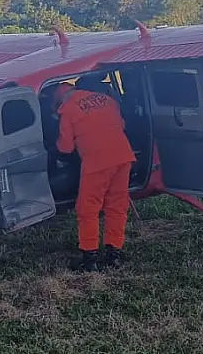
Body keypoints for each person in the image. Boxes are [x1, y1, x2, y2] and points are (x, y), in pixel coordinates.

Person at [53, 81, 137, 271]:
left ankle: (89, 258)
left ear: (59, 100)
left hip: (97, 163)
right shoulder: (107, 100)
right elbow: (121, 124)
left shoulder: (67, 109)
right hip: (123, 156)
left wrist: (54, 148)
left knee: (88, 208)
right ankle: (113, 253)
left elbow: (65, 148)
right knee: (117, 205)